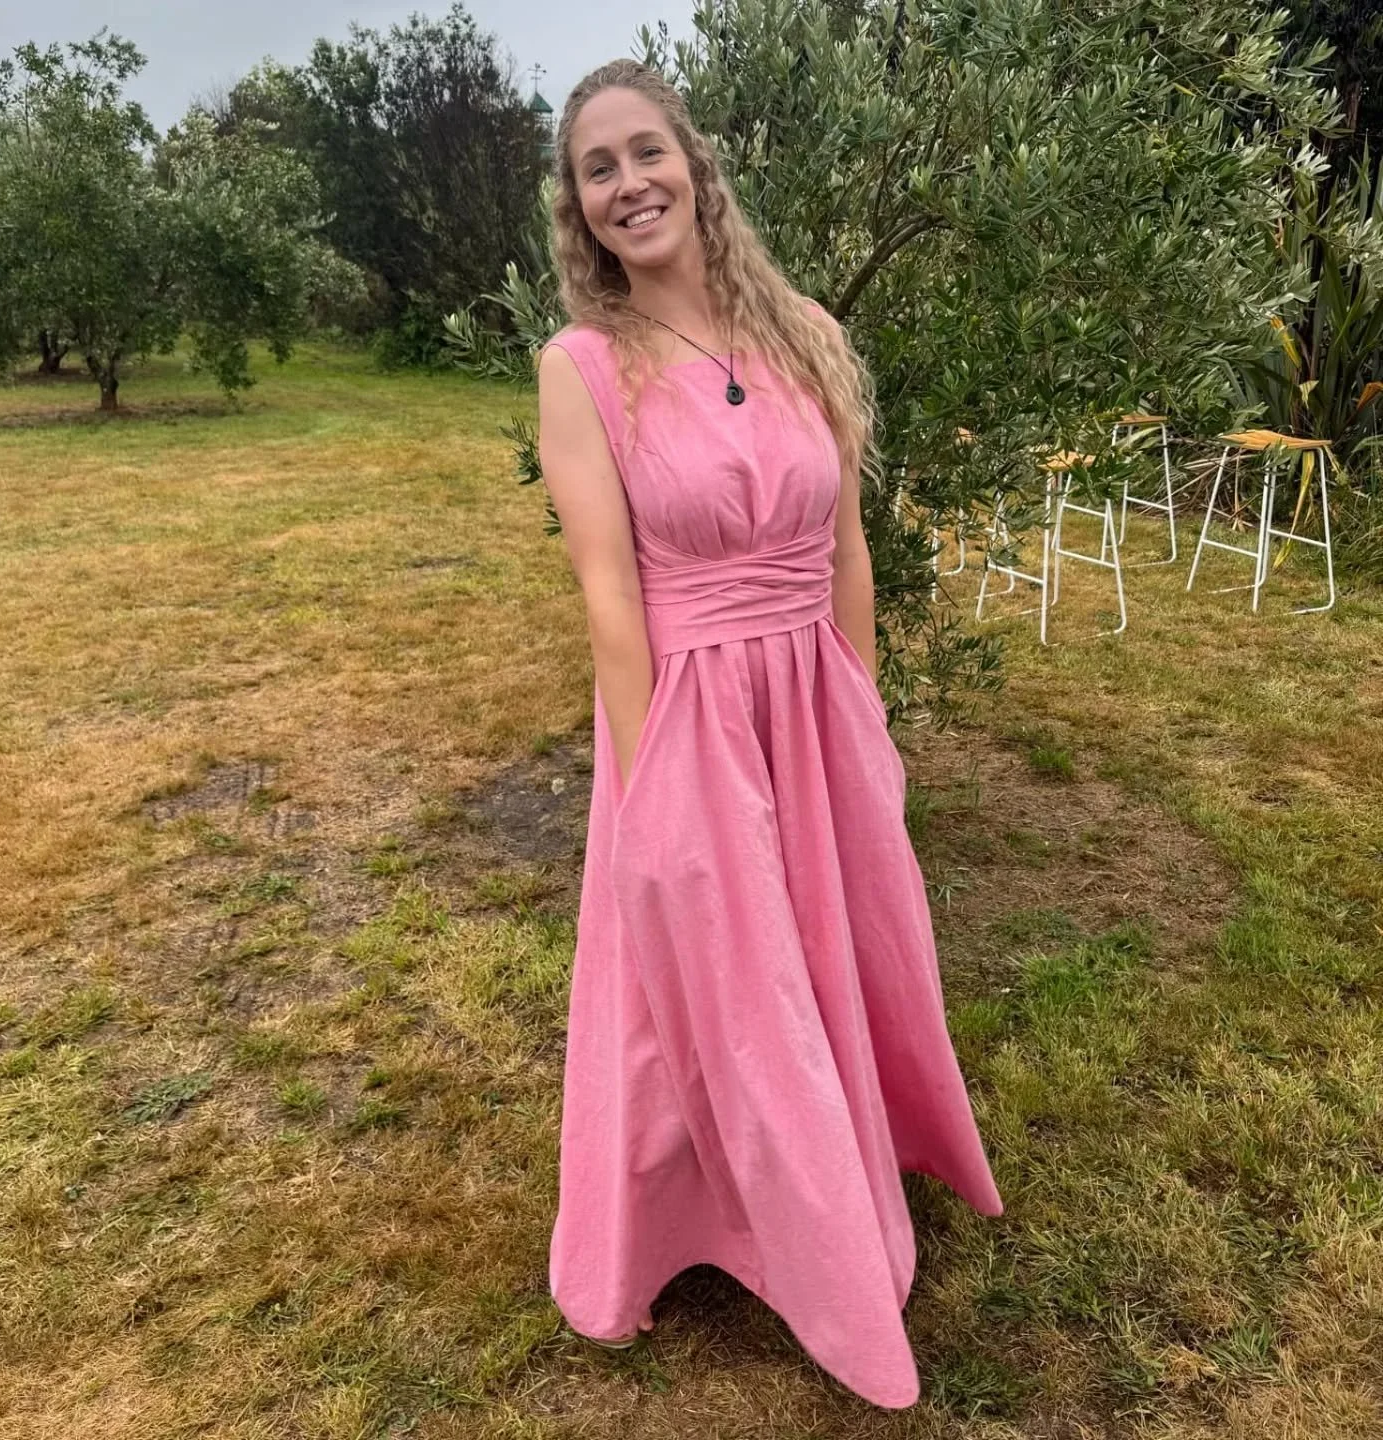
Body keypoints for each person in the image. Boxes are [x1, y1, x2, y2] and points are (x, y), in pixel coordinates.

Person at [536, 57, 1003, 1411]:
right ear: (578, 207)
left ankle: (849, 1178)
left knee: (840, 953)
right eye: (598, 169)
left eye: (646, 152)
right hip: (688, 711)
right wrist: (653, 785)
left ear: (694, 164)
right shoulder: (583, 369)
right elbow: (610, 598)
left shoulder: (801, 331)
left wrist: (862, 714)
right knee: (720, 992)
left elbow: (845, 546)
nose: (629, 184)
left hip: (814, 699)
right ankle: (748, 1232)